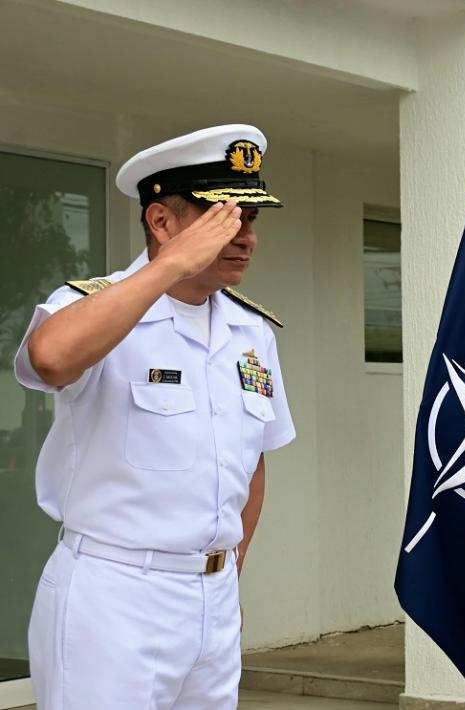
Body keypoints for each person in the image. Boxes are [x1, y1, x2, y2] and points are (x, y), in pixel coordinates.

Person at [14, 124, 296, 709]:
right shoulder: (96, 305)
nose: (245, 237)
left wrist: (222, 579)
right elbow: (50, 358)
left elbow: (253, 462)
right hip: (115, 597)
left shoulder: (251, 331)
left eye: (252, 219)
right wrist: (168, 269)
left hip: (211, 601)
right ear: (162, 223)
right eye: (225, 218)